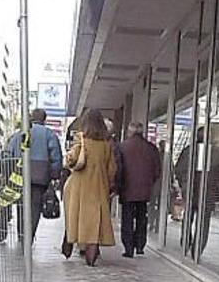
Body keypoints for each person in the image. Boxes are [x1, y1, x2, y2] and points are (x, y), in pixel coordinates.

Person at [62, 109, 117, 266]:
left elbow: (70, 160)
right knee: (94, 221)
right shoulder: (107, 144)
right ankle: (91, 255)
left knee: (75, 215)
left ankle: (69, 240)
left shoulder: (81, 139)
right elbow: (112, 168)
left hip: (78, 185)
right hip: (98, 186)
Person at [7, 108, 62, 242]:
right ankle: (29, 236)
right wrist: (54, 175)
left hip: (20, 175)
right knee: (35, 208)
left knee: (22, 207)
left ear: (31, 118)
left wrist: (8, 173)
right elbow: (56, 157)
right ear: (44, 119)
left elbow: (9, 153)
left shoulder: (20, 134)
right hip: (40, 177)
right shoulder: (49, 134)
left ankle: (21, 234)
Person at [174, 126, 219, 256]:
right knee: (203, 222)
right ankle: (197, 249)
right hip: (208, 193)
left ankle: (186, 241)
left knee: (188, 217)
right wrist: (218, 193)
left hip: (190, 191)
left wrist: (183, 185)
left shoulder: (188, 151)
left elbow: (179, 170)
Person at [116, 121, 161, 258]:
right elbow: (157, 170)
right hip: (144, 190)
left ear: (130, 132)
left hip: (127, 189)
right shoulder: (151, 148)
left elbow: (118, 168)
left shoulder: (122, 147)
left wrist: (118, 186)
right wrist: (149, 183)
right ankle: (140, 245)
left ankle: (128, 248)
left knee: (127, 218)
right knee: (142, 217)